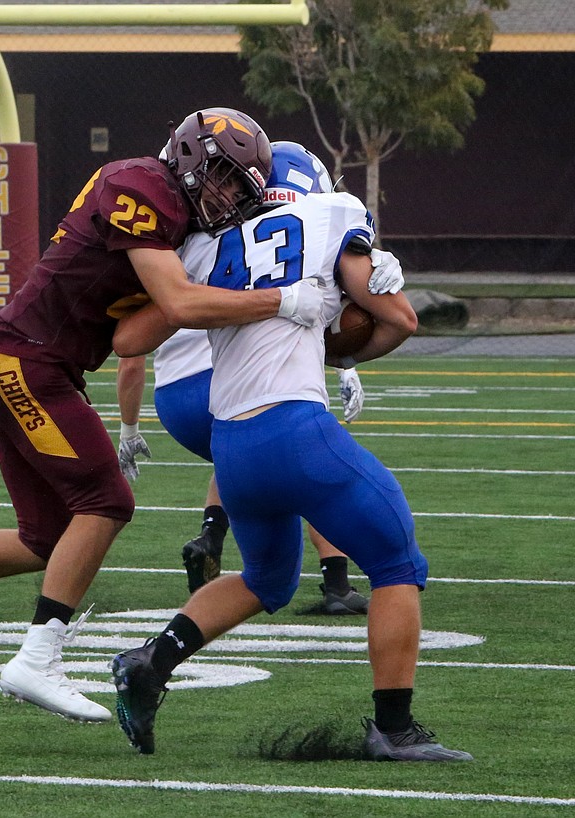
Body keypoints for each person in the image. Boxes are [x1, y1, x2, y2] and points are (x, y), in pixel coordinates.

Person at [0, 108, 329, 723]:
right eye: (219, 177)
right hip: (25, 360)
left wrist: (204, 277)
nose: (224, 196)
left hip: (40, 363)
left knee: (47, 539)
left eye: (237, 189)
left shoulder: (184, 221)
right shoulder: (141, 185)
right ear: (188, 156)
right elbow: (178, 301)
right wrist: (281, 299)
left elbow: (134, 336)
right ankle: (37, 658)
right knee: (107, 503)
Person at [110, 140, 472, 761]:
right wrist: (343, 347)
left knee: (266, 578)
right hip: (295, 431)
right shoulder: (332, 214)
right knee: (396, 563)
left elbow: (131, 337)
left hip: (234, 447)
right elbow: (402, 319)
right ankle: (395, 727)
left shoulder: (201, 247)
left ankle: (151, 662)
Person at [114, 178, 406, 611]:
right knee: (303, 471)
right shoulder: (322, 220)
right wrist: (370, 262)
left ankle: (210, 541)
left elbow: (129, 346)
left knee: (252, 467)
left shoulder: (189, 241)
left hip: (181, 401)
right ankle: (338, 584)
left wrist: (128, 426)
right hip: (255, 393)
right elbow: (395, 317)